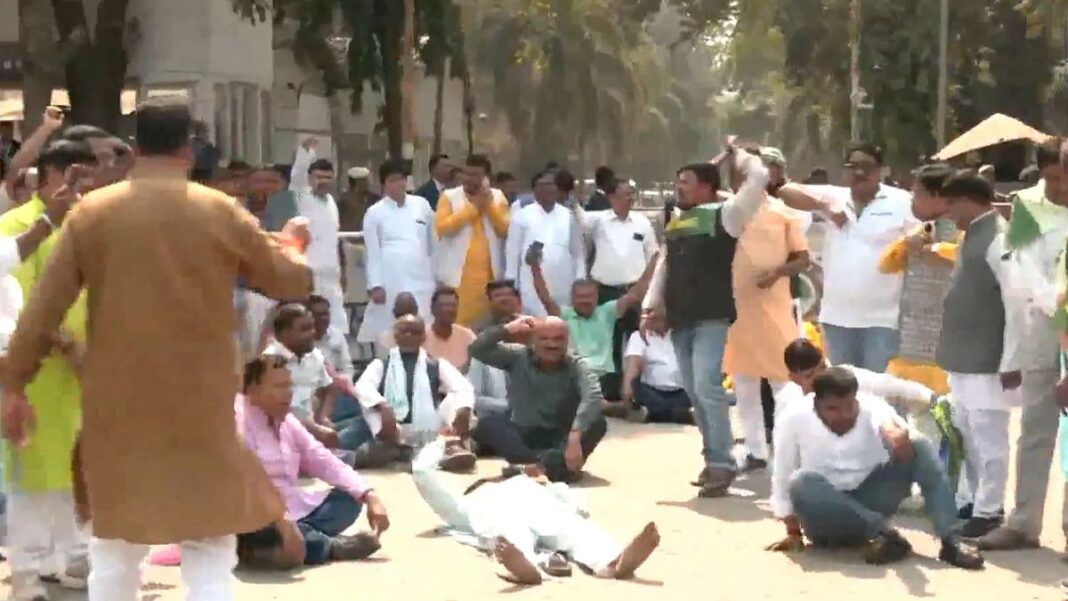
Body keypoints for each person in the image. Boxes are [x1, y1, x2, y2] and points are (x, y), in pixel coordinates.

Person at [0, 96, 312, 600]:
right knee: (209, 546)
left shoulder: (92, 214)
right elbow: (289, 280)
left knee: (115, 549)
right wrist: (293, 242)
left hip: (116, 404)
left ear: (133, 148)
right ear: (189, 148)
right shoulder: (219, 212)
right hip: (201, 403)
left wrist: (13, 386)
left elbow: (41, 312)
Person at [640, 142, 769, 498]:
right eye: (677, 180)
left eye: (686, 181)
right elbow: (665, 264)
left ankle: (723, 464)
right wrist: (651, 307)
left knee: (708, 386)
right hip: (680, 316)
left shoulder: (725, 214)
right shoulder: (678, 220)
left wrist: (736, 154)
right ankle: (713, 459)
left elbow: (759, 176)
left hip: (711, 315)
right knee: (696, 391)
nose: (679, 187)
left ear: (707, 188)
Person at [0, 140, 96, 600]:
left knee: (73, 468)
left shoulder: (86, 224)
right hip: (34, 372)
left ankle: (72, 558)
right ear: (51, 175)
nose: (88, 188)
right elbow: (19, 307)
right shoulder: (16, 227)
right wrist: (61, 343)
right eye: (78, 177)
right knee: (32, 474)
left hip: (81, 373)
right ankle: (26, 574)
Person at [767, 368, 984, 570]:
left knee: (919, 446)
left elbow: (889, 424)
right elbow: (782, 473)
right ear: (816, 402)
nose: (843, 414)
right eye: (833, 408)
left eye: (849, 407)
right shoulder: (793, 418)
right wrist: (793, 533)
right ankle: (885, 532)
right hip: (825, 520)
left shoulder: (871, 406)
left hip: (872, 499)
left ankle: (951, 541)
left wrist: (896, 435)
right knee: (801, 481)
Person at [979, 138, 1068, 552]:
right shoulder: (1028, 206)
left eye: (1065, 178)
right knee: (1035, 429)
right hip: (1041, 330)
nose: (1058, 187)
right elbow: (1020, 271)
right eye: (1051, 178)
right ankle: (1023, 523)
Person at [411, 438, 660, 585]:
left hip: (539, 501)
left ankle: (614, 561)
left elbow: (576, 507)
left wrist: (545, 482)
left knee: (574, 529)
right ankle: (527, 567)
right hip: (493, 508)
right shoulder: (468, 501)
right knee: (508, 531)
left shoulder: (533, 485)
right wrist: (441, 443)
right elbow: (423, 475)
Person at [235, 356, 389, 569]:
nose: (288, 392)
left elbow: (322, 459)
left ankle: (301, 540)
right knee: (265, 528)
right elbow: (246, 482)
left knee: (350, 499)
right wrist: (282, 521)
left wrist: (370, 495)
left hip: (292, 509)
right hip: (251, 511)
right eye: (279, 386)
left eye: (289, 385)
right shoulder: (236, 421)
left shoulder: (287, 420)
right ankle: (327, 546)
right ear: (253, 388)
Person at [936, 171, 1024, 539]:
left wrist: (1011, 359)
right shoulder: (973, 235)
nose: (948, 212)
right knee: (968, 433)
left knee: (989, 437)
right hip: (965, 358)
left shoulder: (998, 239)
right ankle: (976, 501)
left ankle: (989, 511)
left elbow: (1016, 302)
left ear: (971, 201)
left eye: (952, 204)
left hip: (988, 360)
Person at [778, 143, 918, 372]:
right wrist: (826, 207)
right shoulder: (835, 196)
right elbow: (785, 192)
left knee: (879, 392)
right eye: (853, 166)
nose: (860, 173)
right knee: (842, 388)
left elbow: (927, 230)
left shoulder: (901, 201)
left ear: (881, 170)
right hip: (836, 318)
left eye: (867, 167)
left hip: (883, 320)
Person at [722, 146, 810, 470]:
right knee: (744, 382)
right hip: (736, 308)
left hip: (774, 307)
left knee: (783, 382)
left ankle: (788, 453)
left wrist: (776, 273)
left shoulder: (784, 212)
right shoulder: (727, 210)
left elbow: (802, 259)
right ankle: (756, 451)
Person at [469, 317, 607, 482]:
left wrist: (575, 435)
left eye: (558, 339)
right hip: (523, 432)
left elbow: (593, 396)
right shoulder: (517, 355)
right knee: (488, 424)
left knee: (597, 422)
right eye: (545, 338)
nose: (552, 345)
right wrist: (506, 329)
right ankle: (547, 466)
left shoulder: (579, 365)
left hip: (561, 435)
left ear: (567, 340)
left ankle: (539, 468)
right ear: (534, 340)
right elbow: (476, 349)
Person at [530, 243, 657, 402]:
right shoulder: (564, 315)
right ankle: (607, 408)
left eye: (589, 297)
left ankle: (601, 405)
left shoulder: (607, 312)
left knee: (627, 387)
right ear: (572, 299)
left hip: (606, 377)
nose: (585, 301)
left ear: (597, 297)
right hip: (577, 373)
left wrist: (655, 261)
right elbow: (545, 298)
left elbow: (636, 294)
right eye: (580, 297)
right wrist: (535, 267)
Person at [877, 163, 960, 395]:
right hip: (912, 347)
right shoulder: (920, 232)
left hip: (949, 351)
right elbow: (885, 265)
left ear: (937, 197)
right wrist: (907, 244)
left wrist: (935, 250)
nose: (913, 201)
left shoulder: (966, 231)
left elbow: (970, 257)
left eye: (917, 194)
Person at [353, 315, 476, 471]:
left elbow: (463, 387)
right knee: (369, 405)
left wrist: (462, 410)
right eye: (404, 331)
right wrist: (383, 406)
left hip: (429, 429)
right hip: (392, 429)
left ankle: (451, 445)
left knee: (458, 396)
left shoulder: (436, 364)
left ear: (424, 337)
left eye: (415, 332)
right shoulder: (380, 365)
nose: (409, 335)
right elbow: (362, 387)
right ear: (395, 336)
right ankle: (397, 449)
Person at [585, 176, 658, 385]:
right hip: (606, 291)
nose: (630, 199)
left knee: (640, 338)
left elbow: (653, 255)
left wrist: (644, 286)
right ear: (611, 197)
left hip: (636, 290)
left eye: (631, 194)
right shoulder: (597, 221)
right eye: (625, 194)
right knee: (608, 341)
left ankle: (638, 387)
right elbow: (577, 218)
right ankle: (610, 389)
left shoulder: (642, 222)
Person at [357, 159, 436, 344]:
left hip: (422, 276)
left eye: (402, 179)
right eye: (393, 180)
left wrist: (437, 274)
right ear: (384, 184)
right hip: (390, 277)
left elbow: (434, 242)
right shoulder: (374, 212)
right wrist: (375, 284)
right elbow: (373, 252)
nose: (399, 184)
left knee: (424, 323)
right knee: (391, 328)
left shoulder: (421, 205)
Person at [434, 154, 510, 326]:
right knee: (459, 327)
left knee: (485, 326)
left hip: (489, 279)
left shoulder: (498, 197)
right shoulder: (449, 197)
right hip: (457, 278)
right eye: (466, 174)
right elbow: (442, 228)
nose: (469, 179)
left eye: (475, 175)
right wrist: (473, 208)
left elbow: (504, 230)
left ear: (485, 178)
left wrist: (488, 205)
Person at [506, 169, 587, 317]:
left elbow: (578, 254)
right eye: (543, 185)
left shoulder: (568, 216)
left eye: (552, 185)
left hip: (563, 285)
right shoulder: (522, 216)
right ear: (535, 190)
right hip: (530, 287)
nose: (548, 189)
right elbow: (512, 255)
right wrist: (512, 288)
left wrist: (580, 280)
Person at [289, 137, 348, 336]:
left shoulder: (331, 202)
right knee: (311, 326)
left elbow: (334, 239)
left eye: (327, 178)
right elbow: (297, 176)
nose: (323, 182)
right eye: (318, 177)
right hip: (310, 274)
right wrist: (305, 151)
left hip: (332, 274)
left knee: (337, 327)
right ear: (310, 178)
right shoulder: (302, 196)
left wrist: (342, 271)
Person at [621, 311, 692, 424]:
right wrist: (627, 387)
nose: (650, 317)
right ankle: (674, 414)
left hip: (680, 391)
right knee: (639, 390)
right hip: (652, 390)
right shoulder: (638, 336)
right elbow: (633, 363)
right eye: (646, 313)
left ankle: (661, 413)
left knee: (686, 399)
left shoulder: (682, 334)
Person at [424, 287, 477, 372]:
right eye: (444, 305)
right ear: (432, 309)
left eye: (453, 305)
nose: (450, 309)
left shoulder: (467, 336)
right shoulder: (421, 336)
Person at [374, 291, 420, 359]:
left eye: (409, 314)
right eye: (401, 315)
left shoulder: (427, 336)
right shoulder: (383, 339)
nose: (405, 320)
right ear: (394, 313)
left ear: (416, 312)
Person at [339, 166, 379, 233]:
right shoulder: (343, 201)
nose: (369, 183)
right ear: (358, 182)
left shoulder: (374, 199)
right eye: (366, 180)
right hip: (350, 238)